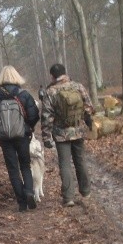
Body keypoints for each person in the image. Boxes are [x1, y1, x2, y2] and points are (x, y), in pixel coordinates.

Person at [0, 66, 41, 212]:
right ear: (17, 77)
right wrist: (28, 127)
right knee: (25, 165)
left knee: (13, 169)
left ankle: (22, 203)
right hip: (22, 136)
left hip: (5, 139)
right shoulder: (24, 94)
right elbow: (34, 114)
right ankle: (29, 192)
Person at [41, 63, 95, 207]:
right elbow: (89, 106)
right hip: (78, 130)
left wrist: (46, 137)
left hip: (61, 134)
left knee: (65, 164)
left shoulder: (50, 92)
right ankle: (86, 191)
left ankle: (69, 197)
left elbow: (47, 116)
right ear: (65, 73)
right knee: (81, 161)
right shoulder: (78, 86)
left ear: (52, 76)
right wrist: (87, 121)